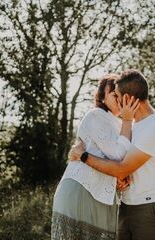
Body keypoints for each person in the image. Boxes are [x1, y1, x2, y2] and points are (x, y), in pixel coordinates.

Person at [69, 69, 155, 240]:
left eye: (117, 95)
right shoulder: (131, 125)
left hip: (149, 209)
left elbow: (122, 169)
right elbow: (121, 163)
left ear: (129, 99)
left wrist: (84, 156)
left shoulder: (154, 128)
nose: (115, 100)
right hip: (126, 205)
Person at [51, 73, 140, 240]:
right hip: (81, 189)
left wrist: (122, 176)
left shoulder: (122, 124)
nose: (118, 99)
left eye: (120, 95)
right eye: (113, 94)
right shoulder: (95, 116)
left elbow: (125, 161)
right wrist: (128, 121)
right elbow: (117, 155)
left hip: (103, 196)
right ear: (102, 96)